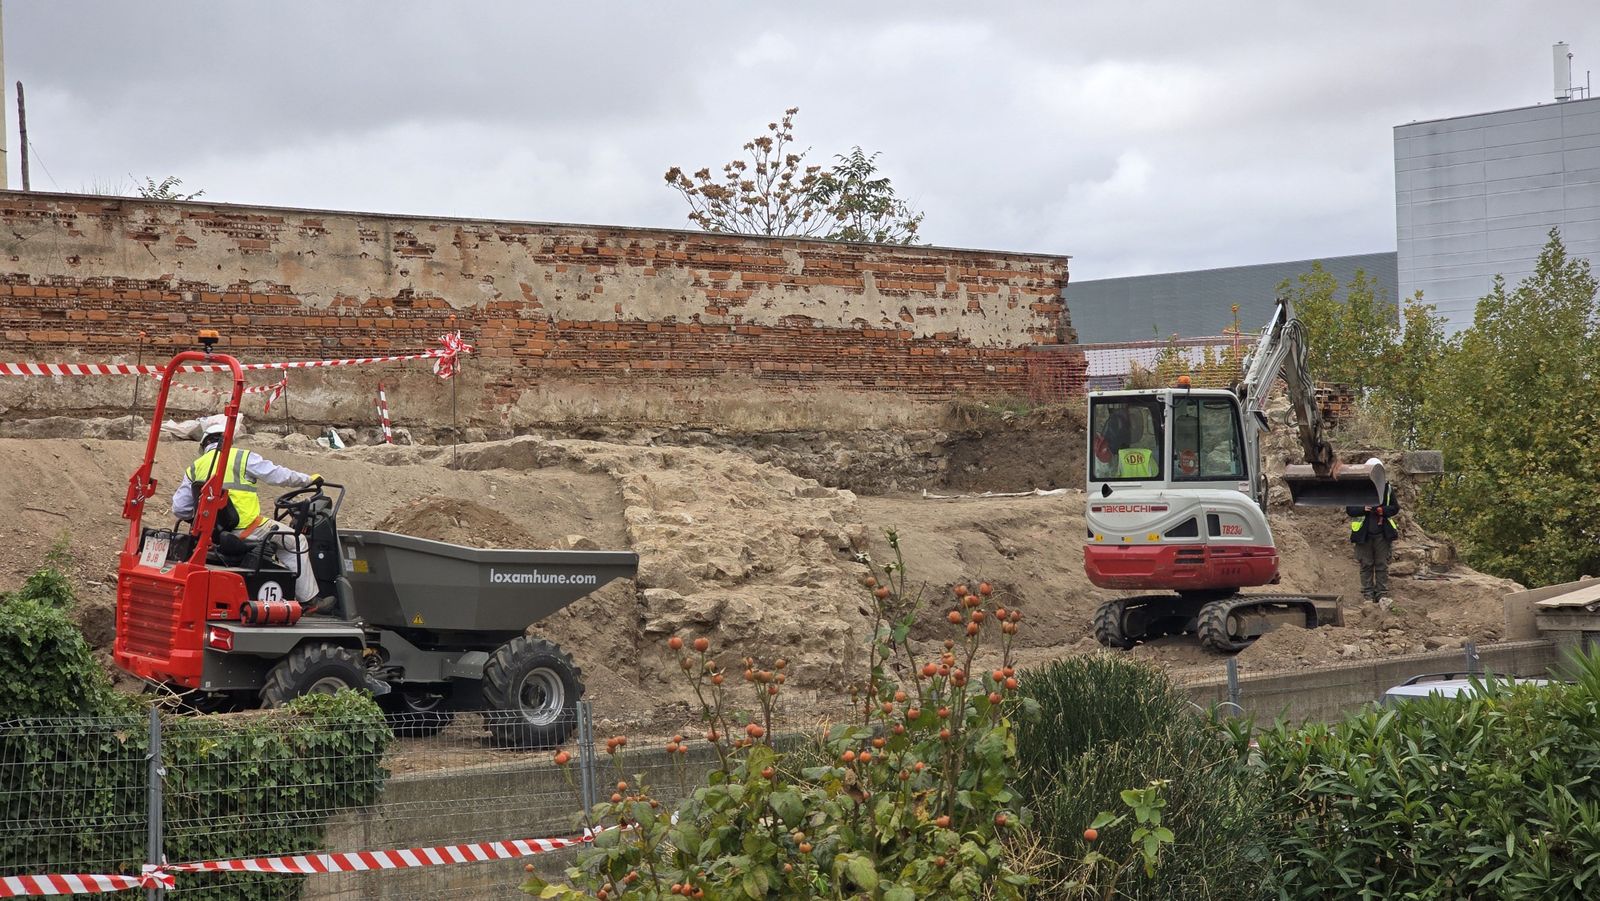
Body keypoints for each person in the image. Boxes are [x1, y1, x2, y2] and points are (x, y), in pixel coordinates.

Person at [171, 418, 323, 604]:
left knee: (284, 541)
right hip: (249, 528)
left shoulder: (195, 468)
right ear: (228, 440)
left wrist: (207, 521)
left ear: (204, 445)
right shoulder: (241, 457)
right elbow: (277, 474)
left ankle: (286, 590)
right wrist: (307, 480)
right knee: (296, 541)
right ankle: (309, 601)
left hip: (213, 535)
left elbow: (180, 508)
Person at [1345, 482, 1400, 603]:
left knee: (1382, 564)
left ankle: (1382, 594)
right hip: (1363, 535)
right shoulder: (1358, 488)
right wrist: (1363, 509)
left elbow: (1395, 508)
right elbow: (1350, 509)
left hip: (1382, 534)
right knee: (1366, 564)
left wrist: (1383, 510)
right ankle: (1368, 594)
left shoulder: (1386, 488)